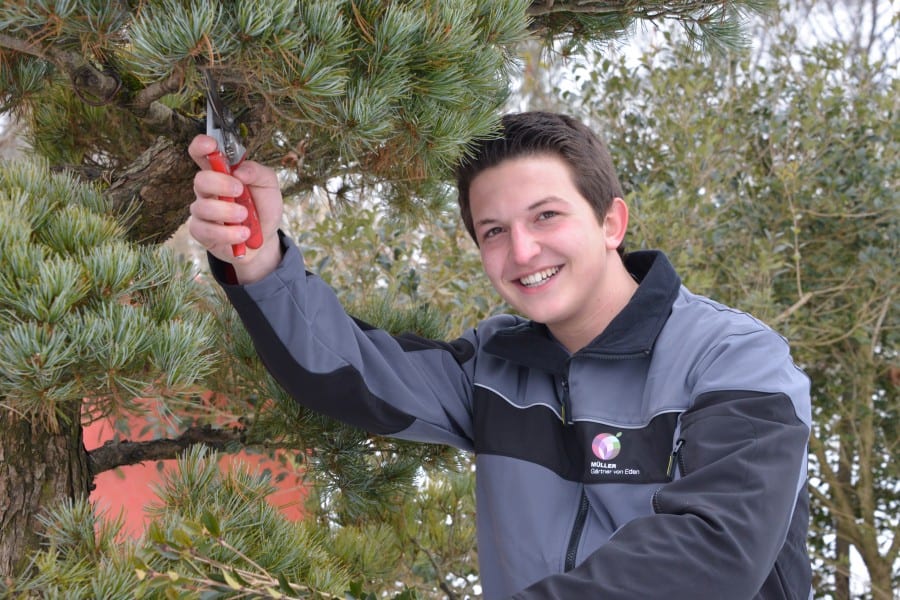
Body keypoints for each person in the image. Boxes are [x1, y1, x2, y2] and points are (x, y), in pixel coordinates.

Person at [188, 111, 813, 599]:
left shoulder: (734, 359)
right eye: (494, 231)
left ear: (611, 223)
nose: (522, 252)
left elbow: (718, 550)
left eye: (546, 216)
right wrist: (257, 256)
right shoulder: (492, 369)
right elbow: (347, 370)